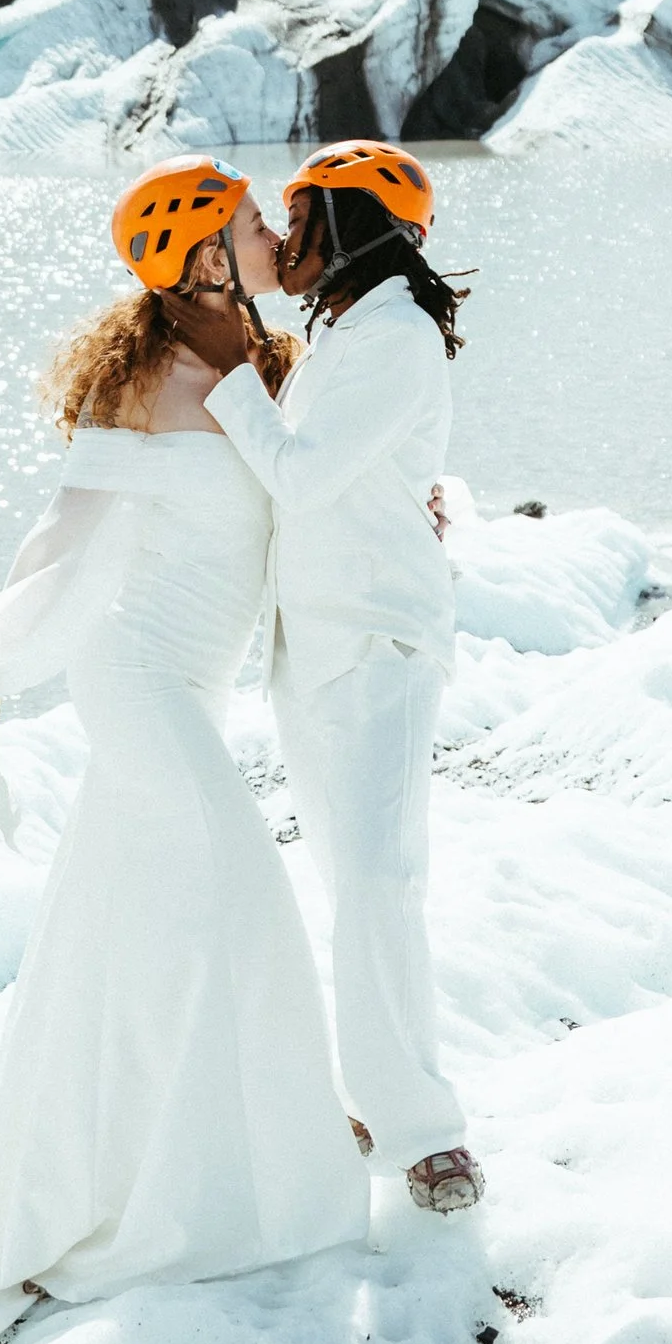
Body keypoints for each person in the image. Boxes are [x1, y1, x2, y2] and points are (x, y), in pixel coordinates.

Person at [0, 161, 370, 1303]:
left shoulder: (269, 365)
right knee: (240, 897)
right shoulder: (146, 384)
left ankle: (145, 1170)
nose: (273, 233)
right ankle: (242, 1179)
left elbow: (321, 488)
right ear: (204, 259)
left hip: (201, 687)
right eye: (251, 224)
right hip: (136, 681)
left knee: (129, 936)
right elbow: (64, 540)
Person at [202, 138, 484, 1217]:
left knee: (377, 885)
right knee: (350, 886)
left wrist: (225, 368)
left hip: (372, 648)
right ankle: (377, 1096)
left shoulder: (393, 338)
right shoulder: (348, 335)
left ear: (354, 225)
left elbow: (302, 478)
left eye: (303, 213)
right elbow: (356, 476)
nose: (287, 234)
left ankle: (426, 1133)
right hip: (313, 647)